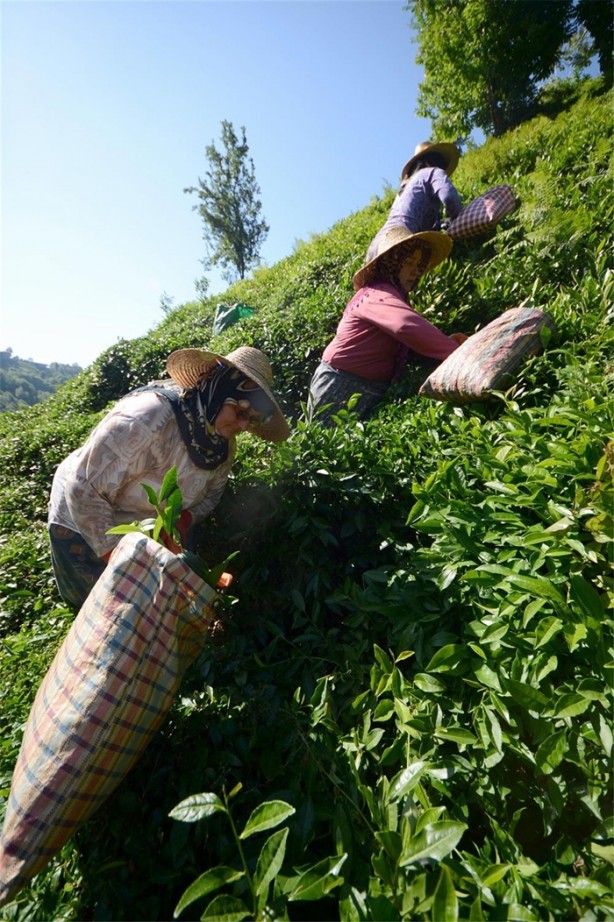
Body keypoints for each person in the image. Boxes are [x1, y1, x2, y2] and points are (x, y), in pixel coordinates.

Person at [48, 345, 289, 608]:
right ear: (218, 391)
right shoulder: (148, 418)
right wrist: (122, 562)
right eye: (240, 412)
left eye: (251, 420)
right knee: (97, 606)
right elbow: (83, 488)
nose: (242, 426)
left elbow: (210, 497)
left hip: (143, 530)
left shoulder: (222, 445)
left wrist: (178, 523)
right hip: (83, 518)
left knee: (145, 609)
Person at [307, 226, 469, 425]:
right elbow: (406, 326)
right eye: (408, 262)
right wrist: (461, 353)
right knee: (329, 440)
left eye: (418, 264)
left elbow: (405, 342)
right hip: (340, 383)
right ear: (391, 263)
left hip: (365, 387)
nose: (415, 271)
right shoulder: (376, 293)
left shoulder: (394, 296)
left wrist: (446, 343)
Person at [366, 141, 463, 262]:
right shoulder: (433, 172)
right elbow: (449, 197)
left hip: (377, 243)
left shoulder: (404, 186)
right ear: (431, 162)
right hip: (402, 236)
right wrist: (458, 218)